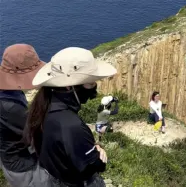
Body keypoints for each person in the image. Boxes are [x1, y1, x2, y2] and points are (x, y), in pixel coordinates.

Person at [23, 47, 117, 187]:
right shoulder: (71, 125)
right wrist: (98, 152)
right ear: (69, 87)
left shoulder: (44, 106)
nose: (94, 88)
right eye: (90, 83)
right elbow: (93, 167)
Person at [0, 44, 49, 187]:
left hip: (10, 156)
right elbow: (38, 133)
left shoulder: (7, 90)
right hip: (23, 167)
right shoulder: (10, 107)